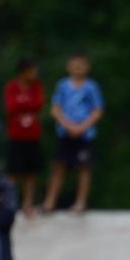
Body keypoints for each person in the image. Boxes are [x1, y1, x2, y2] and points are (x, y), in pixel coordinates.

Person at [43, 53, 104, 215]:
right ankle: (50, 202)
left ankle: (80, 202)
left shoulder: (91, 87)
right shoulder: (62, 85)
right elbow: (55, 109)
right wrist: (68, 125)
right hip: (65, 132)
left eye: (81, 65)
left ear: (87, 67)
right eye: (74, 65)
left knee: (84, 168)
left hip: (85, 133)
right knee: (59, 166)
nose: (77, 68)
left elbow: (97, 110)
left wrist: (82, 127)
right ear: (68, 66)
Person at [4, 57, 46, 218]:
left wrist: (23, 106)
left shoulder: (37, 87)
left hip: (32, 135)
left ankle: (28, 204)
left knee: (31, 172)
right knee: (13, 172)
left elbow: (39, 104)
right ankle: (10, 203)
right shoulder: (12, 87)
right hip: (16, 135)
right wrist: (27, 106)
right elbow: (11, 107)